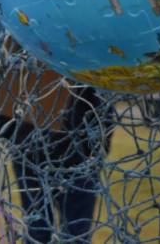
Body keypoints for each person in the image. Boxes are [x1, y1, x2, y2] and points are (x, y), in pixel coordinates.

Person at [10, 86, 113, 243]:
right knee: (38, 230)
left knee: (73, 232)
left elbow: (103, 104)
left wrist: (97, 150)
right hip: (32, 153)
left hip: (76, 157)